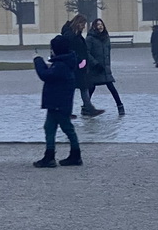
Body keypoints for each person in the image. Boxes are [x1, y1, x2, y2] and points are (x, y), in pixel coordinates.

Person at [32, 34, 82, 168]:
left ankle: (72, 155)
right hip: (58, 103)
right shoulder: (65, 63)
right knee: (50, 127)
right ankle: (52, 155)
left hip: (58, 103)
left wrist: (38, 60)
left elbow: (45, 75)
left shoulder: (60, 65)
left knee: (66, 128)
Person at [62, 14, 103, 116]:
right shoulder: (70, 36)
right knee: (72, 90)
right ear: (78, 23)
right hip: (73, 67)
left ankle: (88, 108)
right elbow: (70, 51)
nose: (84, 27)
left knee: (83, 88)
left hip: (79, 67)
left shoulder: (76, 35)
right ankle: (70, 111)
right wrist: (79, 61)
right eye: (83, 24)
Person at [86, 18, 125, 115]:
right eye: (98, 24)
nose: (100, 26)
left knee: (111, 87)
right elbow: (87, 53)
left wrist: (107, 66)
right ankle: (86, 107)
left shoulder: (106, 38)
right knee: (91, 88)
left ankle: (120, 106)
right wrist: (95, 64)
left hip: (105, 69)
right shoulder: (90, 38)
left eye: (102, 24)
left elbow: (108, 53)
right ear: (94, 26)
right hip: (95, 68)